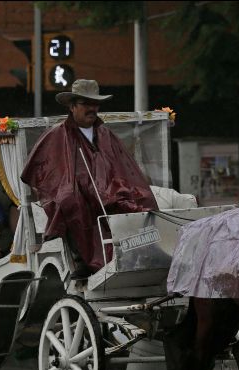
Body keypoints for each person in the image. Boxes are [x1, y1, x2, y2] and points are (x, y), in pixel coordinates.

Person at [21, 79, 158, 279]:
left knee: (140, 199)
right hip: (77, 195)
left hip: (108, 192)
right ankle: (84, 262)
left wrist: (115, 188)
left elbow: (123, 168)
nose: (92, 109)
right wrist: (75, 186)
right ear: (72, 106)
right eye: (86, 104)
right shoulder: (57, 135)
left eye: (95, 104)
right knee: (71, 202)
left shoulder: (105, 134)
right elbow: (42, 171)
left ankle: (141, 255)